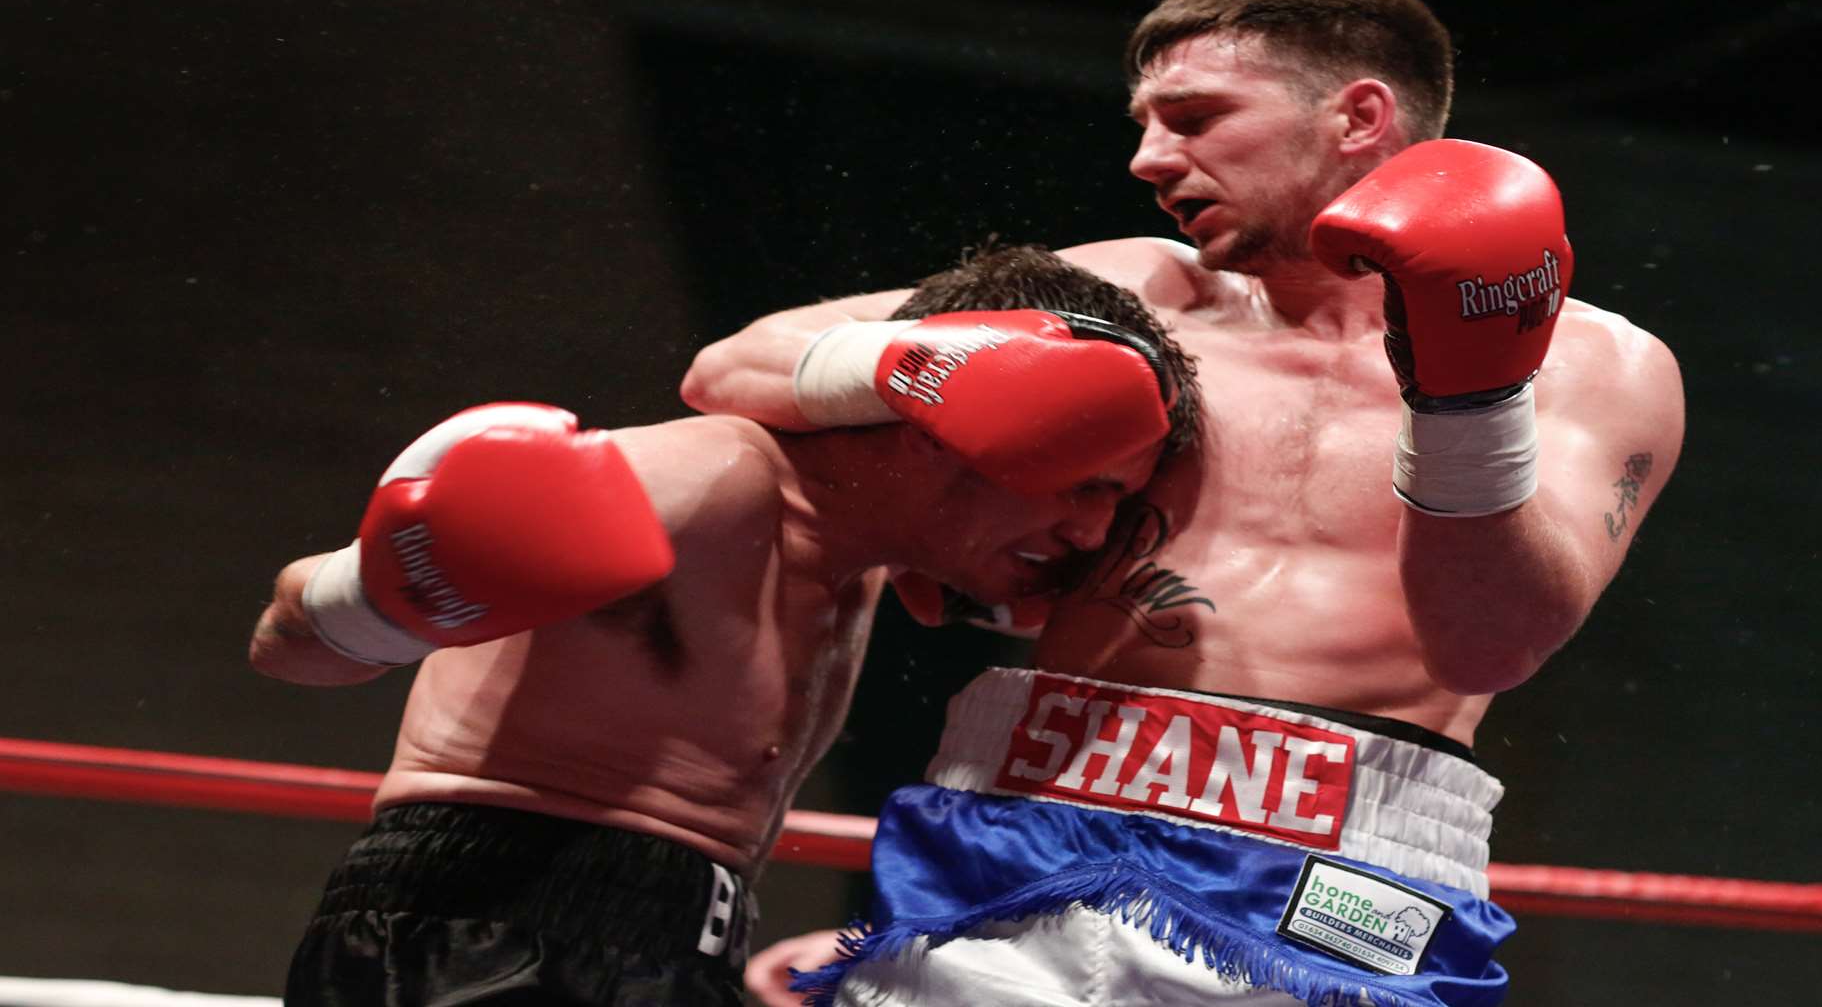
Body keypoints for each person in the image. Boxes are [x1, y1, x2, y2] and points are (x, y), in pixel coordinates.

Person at [683, 0, 1685, 1007]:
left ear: (1358, 115)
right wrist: (924, 372)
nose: (1151, 158)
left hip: (1339, 861)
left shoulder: (1593, 365)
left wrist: (1466, 398)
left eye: (1195, 116)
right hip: (1034, 804)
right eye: (1147, 123)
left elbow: (1490, 642)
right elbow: (734, 368)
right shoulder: (1143, 293)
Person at [247, 245, 1203, 1007]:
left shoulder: (865, 566)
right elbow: (287, 648)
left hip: (677, 939)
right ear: (964, 422)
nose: (1087, 530)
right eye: (1087, 486)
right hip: (481, 921)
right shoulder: (714, 480)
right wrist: (386, 595)